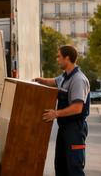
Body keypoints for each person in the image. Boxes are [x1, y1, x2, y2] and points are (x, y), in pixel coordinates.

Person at [33, 45, 91, 176]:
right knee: (61, 167)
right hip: (64, 128)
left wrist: (56, 114)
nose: (57, 59)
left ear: (67, 58)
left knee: (74, 168)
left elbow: (77, 108)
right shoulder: (65, 77)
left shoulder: (78, 80)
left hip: (75, 129)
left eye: (59, 56)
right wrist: (39, 80)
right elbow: (53, 82)